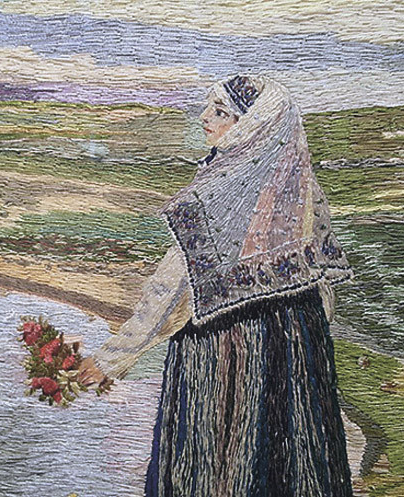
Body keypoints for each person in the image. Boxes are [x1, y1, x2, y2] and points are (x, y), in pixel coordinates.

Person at [78, 74, 354, 497]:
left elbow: (173, 287)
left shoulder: (219, 192)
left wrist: (113, 358)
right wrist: (305, 341)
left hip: (223, 350)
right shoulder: (296, 183)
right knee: (288, 460)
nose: (205, 118)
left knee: (218, 463)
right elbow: (320, 285)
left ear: (252, 125)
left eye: (221, 111)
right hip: (296, 345)